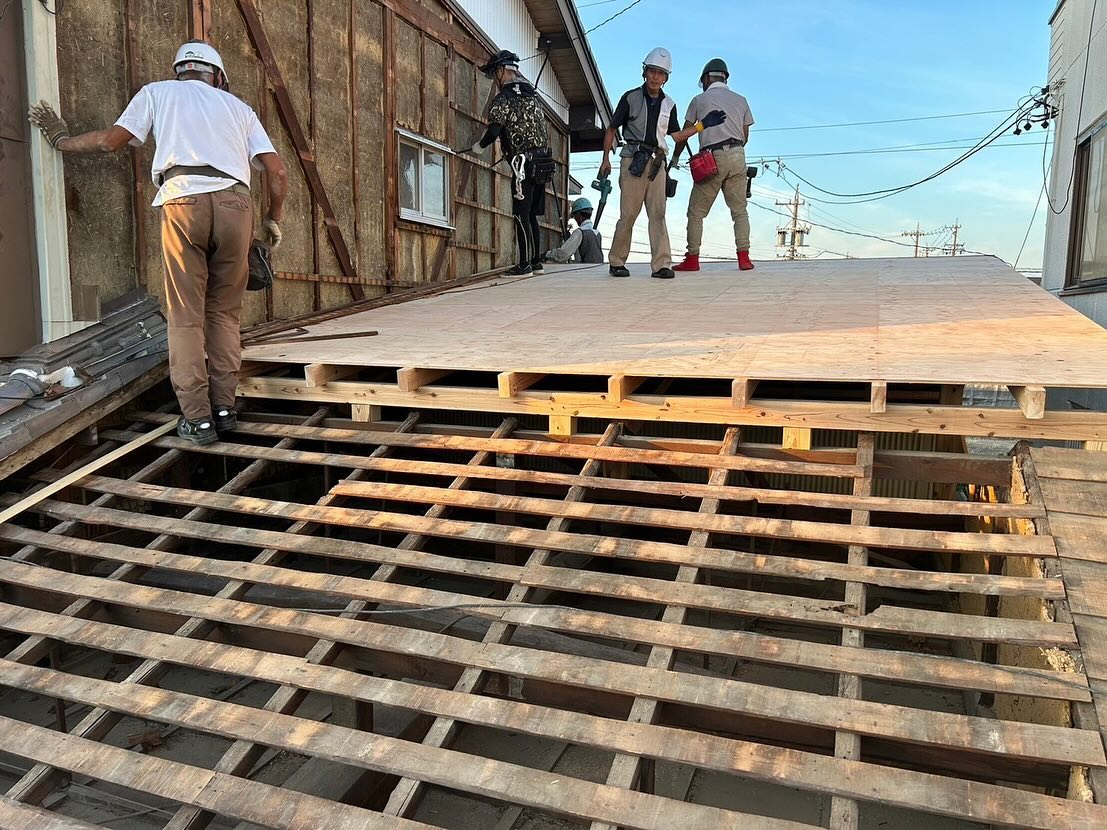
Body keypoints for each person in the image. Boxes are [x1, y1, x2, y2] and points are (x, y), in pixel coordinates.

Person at [28, 41, 287, 446]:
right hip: (236, 205)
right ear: (217, 77)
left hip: (182, 199)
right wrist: (272, 218)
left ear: (181, 70)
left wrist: (61, 139)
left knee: (186, 317)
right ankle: (224, 409)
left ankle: (198, 419)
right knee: (224, 316)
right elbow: (278, 171)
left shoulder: (157, 92)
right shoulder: (240, 109)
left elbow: (110, 141)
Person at [601, 48, 727, 279]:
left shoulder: (670, 104)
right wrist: (606, 159)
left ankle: (661, 264)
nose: (656, 77)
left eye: (661, 73)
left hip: (657, 161)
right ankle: (617, 261)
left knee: (658, 214)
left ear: (666, 77)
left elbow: (676, 136)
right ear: (644, 72)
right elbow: (612, 127)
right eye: (652, 71)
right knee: (628, 213)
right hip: (632, 158)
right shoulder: (630, 97)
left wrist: (702, 125)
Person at [464, 50, 554, 277]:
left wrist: (479, 146)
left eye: (495, 72)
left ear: (502, 70)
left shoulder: (504, 98)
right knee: (532, 215)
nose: (495, 77)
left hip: (522, 164)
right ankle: (535, 262)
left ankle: (523, 265)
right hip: (542, 162)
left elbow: (494, 131)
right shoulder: (532, 97)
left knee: (520, 214)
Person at [672, 58, 756, 272]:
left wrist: (674, 159)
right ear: (725, 78)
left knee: (696, 212)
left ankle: (692, 259)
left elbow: (684, 135)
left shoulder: (699, 100)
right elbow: (745, 136)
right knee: (739, 211)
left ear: (707, 78)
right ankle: (744, 258)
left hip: (712, 157)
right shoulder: (741, 100)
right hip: (738, 156)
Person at [546, 197, 604, 264]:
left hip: (584, 272)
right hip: (598, 271)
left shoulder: (580, 232)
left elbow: (563, 254)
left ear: (578, 215)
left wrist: (547, 254)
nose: (575, 219)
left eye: (574, 216)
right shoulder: (597, 234)